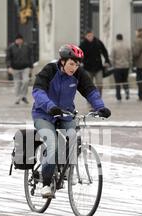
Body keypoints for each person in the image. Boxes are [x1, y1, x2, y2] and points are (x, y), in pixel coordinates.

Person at [32, 44, 112, 198]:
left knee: (75, 137)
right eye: (71, 64)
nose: (74, 68)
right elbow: (38, 91)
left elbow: (90, 91)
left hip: (66, 114)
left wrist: (100, 107)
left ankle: (67, 168)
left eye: (77, 64)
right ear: (62, 61)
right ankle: (46, 183)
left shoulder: (78, 74)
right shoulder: (49, 71)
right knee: (53, 145)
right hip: (44, 114)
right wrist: (50, 106)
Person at [79, 31, 110, 97]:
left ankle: (98, 98)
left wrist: (107, 61)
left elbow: (104, 52)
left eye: (91, 35)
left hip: (98, 67)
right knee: (89, 85)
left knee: (100, 84)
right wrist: (80, 62)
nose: (90, 37)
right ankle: (90, 99)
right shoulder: (83, 44)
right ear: (86, 36)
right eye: (88, 36)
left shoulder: (98, 42)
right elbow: (79, 55)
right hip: (87, 68)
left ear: (93, 35)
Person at [6, 34, 34, 105]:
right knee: (17, 83)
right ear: (15, 40)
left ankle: (23, 95)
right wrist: (9, 67)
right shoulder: (11, 47)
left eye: (20, 39)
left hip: (25, 67)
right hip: (15, 68)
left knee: (26, 81)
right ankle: (18, 97)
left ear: (22, 40)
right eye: (17, 40)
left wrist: (31, 67)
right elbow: (8, 58)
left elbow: (30, 56)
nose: (19, 41)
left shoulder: (27, 47)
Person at [111, 34, 131, 101]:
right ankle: (127, 92)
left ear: (117, 38)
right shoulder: (127, 46)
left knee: (117, 82)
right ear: (122, 38)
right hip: (126, 66)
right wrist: (129, 64)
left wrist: (113, 65)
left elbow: (112, 58)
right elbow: (130, 56)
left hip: (117, 67)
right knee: (125, 80)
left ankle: (118, 96)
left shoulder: (114, 46)